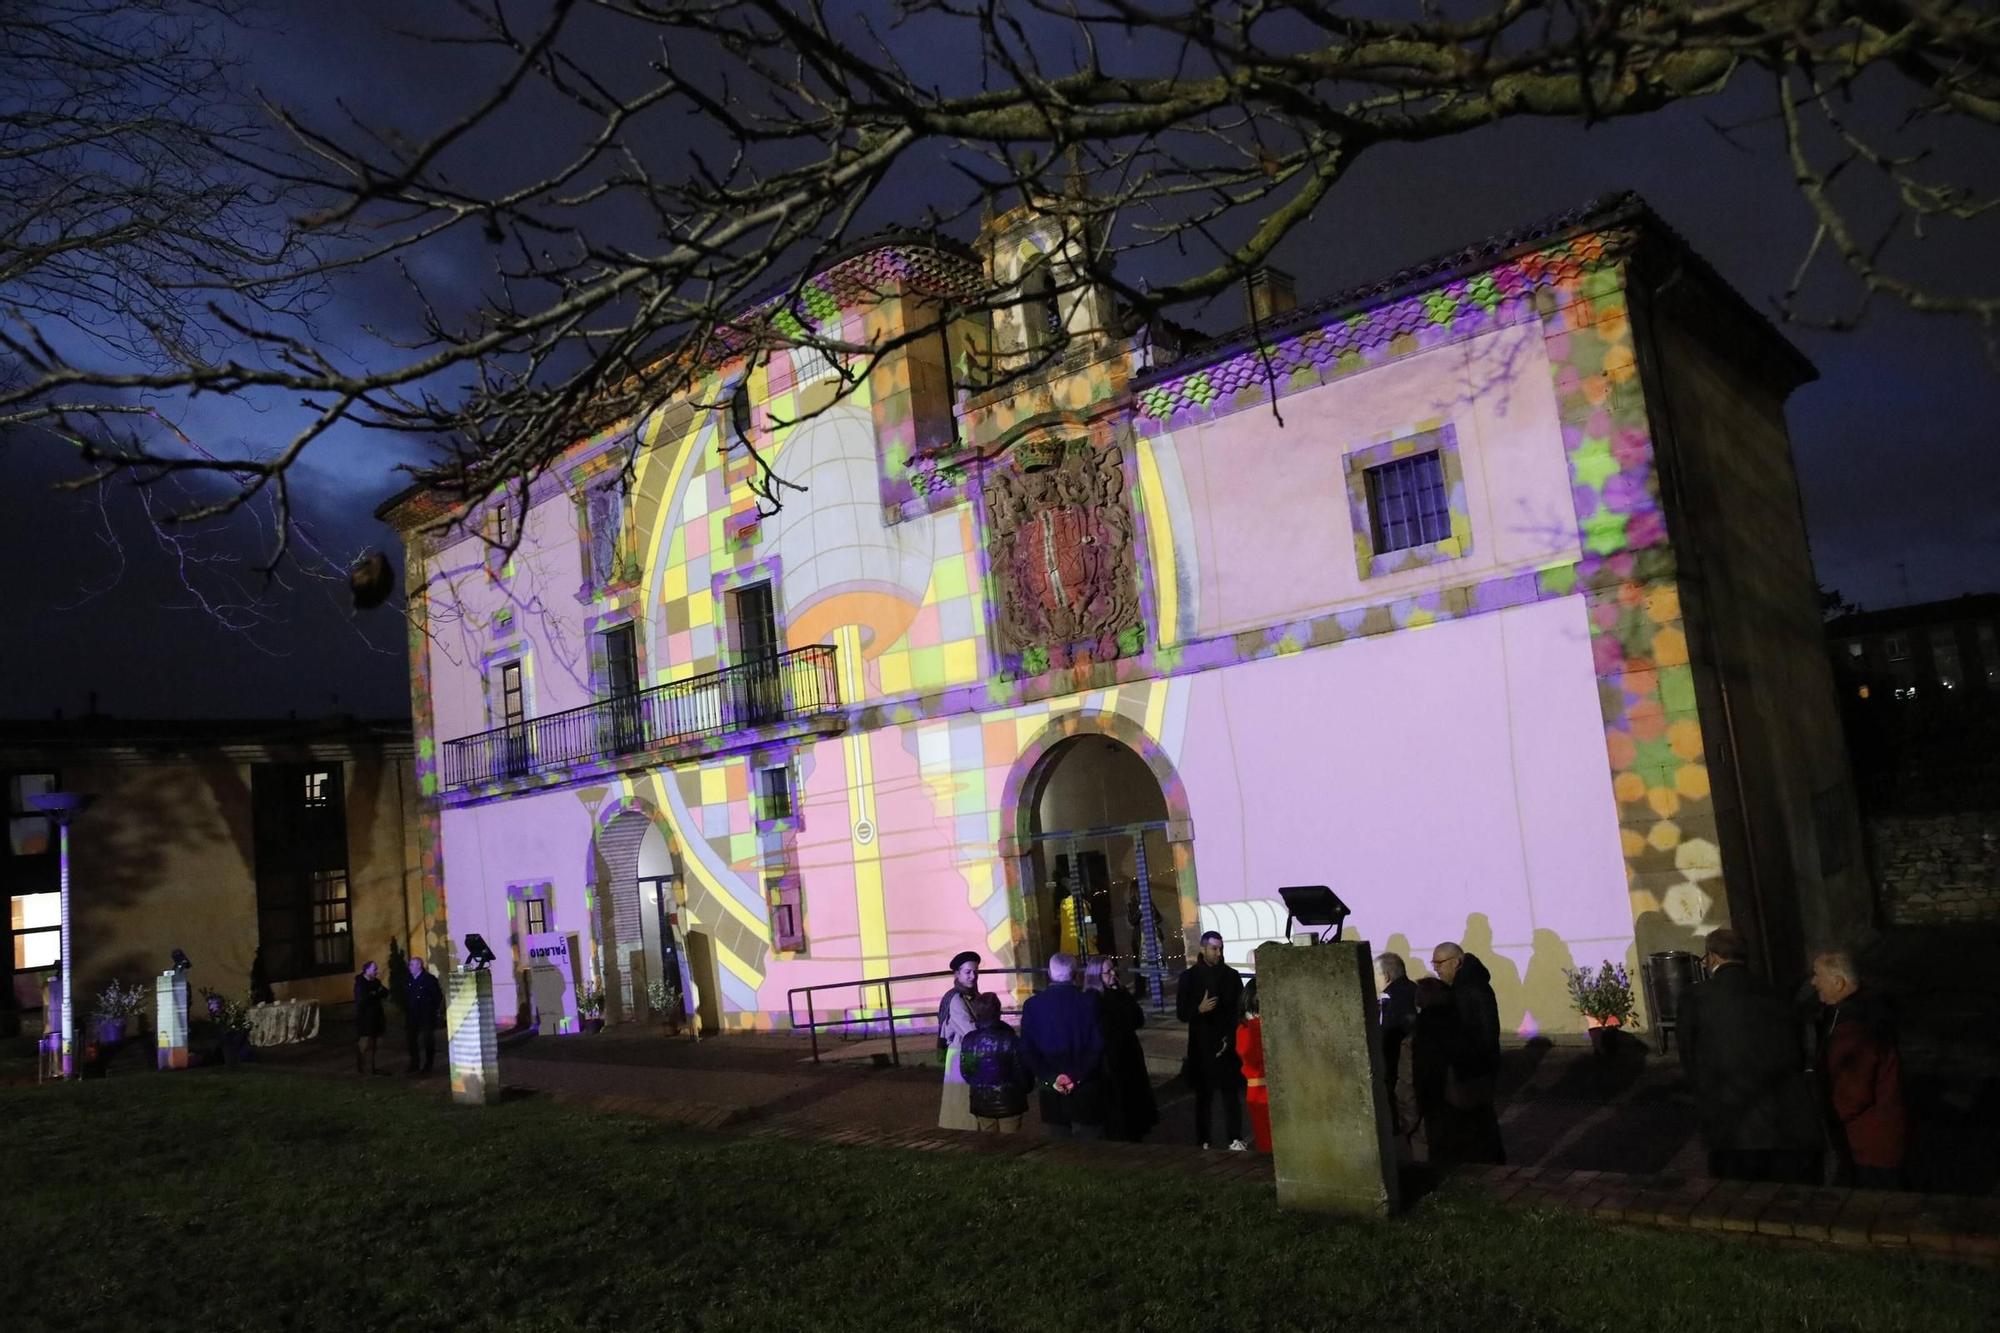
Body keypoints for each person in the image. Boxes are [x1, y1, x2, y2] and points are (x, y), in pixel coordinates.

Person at [1679, 927, 1823, 1183]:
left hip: (1729, 1115)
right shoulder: (1775, 991)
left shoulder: (1696, 997)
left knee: (1738, 1197)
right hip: (1781, 1115)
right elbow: (1798, 1048)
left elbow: (1689, 1056)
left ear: (1712, 957)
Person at [1810, 950, 1908, 1189]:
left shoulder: (1853, 1030)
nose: (1813, 982)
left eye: (1817, 975)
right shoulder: (1862, 1013)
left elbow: (1852, 1095)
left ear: (1838, 982)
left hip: (1870, 1146)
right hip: (1874, 1141)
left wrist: (1820, 1119)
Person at [1429, 940, 1505, 1165]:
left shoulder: (1470, 988)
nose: (1437, 970)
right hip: (1474, 1066)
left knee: (1479, 1120)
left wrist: (1466, 1058)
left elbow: (1486, 1031)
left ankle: (1488, 1165)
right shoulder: (1465, 986)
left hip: (1476, 1067)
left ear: (1455, 962)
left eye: (1439, 964)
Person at [1018, 952, 1105, 1138]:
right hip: (1085, 1087)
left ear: (1049, 973)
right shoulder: (1089, 1002)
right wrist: (1077, 1077)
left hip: (1051, 1089)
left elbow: (1027, 1048)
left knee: (1059, 1144)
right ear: (1075, 974)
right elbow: (1097, 1046)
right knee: (1092, 1144)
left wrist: (1051, 1077)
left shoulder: (1033, 1005)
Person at [1176, 929, 1247, 1150]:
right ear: (1203, 948)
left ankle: (1234, 1138)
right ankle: (1203, 1139)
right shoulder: (1189, 978)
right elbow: (1182, 1012)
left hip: (1226, 1043)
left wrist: (1231, 1037)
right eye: (1214, 948)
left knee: (1230, 1095)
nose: (1218, 952)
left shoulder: (1231, 976)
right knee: (1203, 1096)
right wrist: (1199, 1009)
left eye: (1220, 948)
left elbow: (1239, 1009)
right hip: (1201, 1045)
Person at [1084, 955, 1158, 1141]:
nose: (1112, 974)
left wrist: (1123, 994)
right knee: (1119, 1100)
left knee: (1133, 1096)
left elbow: (1137, 1018)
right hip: (1112, 1057)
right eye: (1107, 971)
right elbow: (1105, 1028)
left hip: (1129, 1052)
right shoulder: (1093, 999)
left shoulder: (1120, 992)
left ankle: (1136, 1130)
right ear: (1096, 975)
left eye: (1113, 969)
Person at [960, 991, 1033, 1132]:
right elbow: (1022, 1071)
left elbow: (967, 1072)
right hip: (1010, 1101)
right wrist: (1025, 1088)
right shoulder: (1011, 1039)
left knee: (989, 1145)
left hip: (982, 1102)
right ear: (999, 1011)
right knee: (1011, 1144)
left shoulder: (969, 1040)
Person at [1409, 977, 1455, 1157]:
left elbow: (1424, 1060)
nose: (1416, 997)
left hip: (1434, 1088)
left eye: (1419, 993)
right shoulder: (1453, 1015)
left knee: (1437, 1136)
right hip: (1447, 1087)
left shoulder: (1426, 1022)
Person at [936, 951, 982, 1131]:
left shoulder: (972, 996)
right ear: (957, 974)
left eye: (975, 972)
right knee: (962, 1102)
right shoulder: (956, 1000)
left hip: (966, 1054)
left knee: (963, 1102)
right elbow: (970, 1029)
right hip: (960, 1057)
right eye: (968, 972)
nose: (973, 976)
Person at [1376, 951, 1418, 1138]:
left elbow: (1387, 1035)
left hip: (1397, 1067)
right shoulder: (1416, 990)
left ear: (1386, 976)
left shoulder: (1389, 999)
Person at [1236, 979, 1272, 1152]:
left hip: (1262, 1089)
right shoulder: (1248, 1028)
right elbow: (1251, 1056)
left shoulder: (1249, 1027)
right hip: (1260, 1090)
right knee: (1266, 1141)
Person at [404, 955, 444, 1075]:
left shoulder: (429, 979)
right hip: (412, 1014)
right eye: (409, 964)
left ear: (419, 966)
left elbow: (437, 996)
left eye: (412, 965)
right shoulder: (409, 979)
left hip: (426, 1014)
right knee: (411, 1040)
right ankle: (414, 1063)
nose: (409, 967)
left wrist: (431, 1008)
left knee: (428, 1040)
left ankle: (428, 1065)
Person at [353, 961, 389, 1076]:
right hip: (365, 1019)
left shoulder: (376, 982)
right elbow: (363, 999)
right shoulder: (360, 984)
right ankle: (362, 1068)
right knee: (364, 1043)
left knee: (374, 1043)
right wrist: (374, 994)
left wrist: (375, 993)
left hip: (376, 1017)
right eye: (374, 969)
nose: (376, 971)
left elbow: (385, 992)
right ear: (367, 970)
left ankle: (372, 1067)